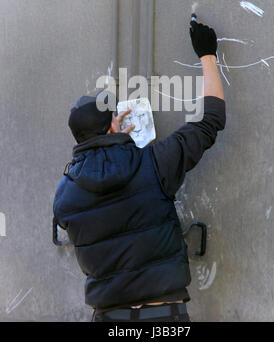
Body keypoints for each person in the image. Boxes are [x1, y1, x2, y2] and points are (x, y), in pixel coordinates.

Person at [53, 18, 226, 322]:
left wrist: (116, 144)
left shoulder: (64, 197)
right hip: (164, 316)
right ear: (113, 124)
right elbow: (210, 119)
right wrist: (207, 54)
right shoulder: (155, 163)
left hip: (109, 318)